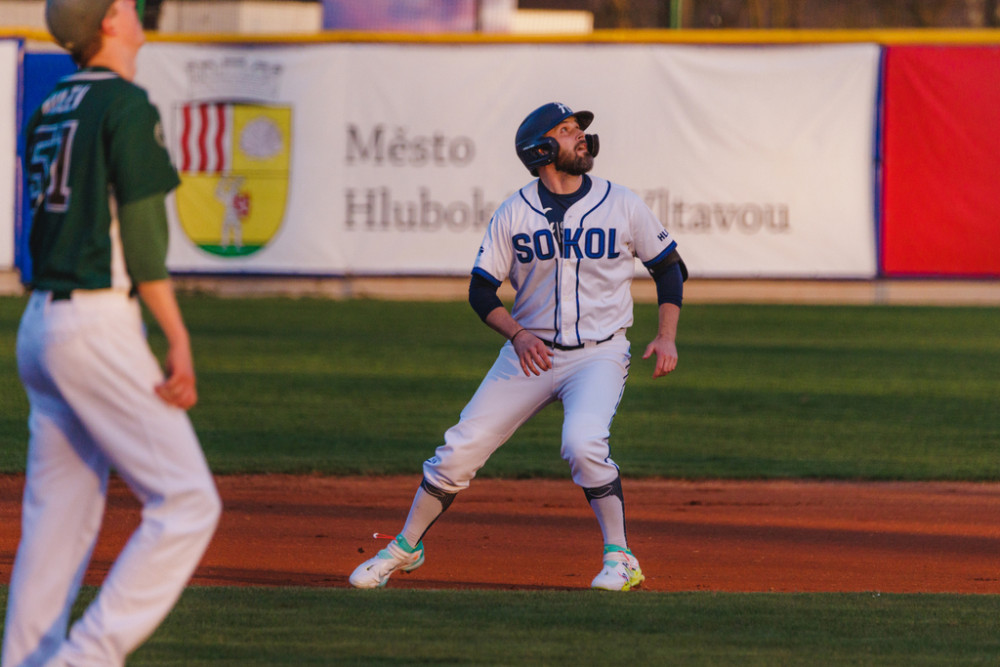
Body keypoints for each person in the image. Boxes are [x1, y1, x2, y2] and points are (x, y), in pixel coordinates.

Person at [349, 102, 687, 592]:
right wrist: (518, 333)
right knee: (458, 450)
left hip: (599, 353)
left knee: (583, 443)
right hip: (529, 353)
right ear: (542, 149)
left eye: (578, 131)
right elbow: (481, 290)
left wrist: (667, 334)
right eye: (568, 131)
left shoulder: (622, 202)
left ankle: (621, 557)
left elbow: (668, 267)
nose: (581, 138)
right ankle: (406, 547)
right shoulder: (514, 212)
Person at [2, 1, 221, 665]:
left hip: (42, 322)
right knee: (187, 501)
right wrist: (176, 334)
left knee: (56, 521)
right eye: (124, 3)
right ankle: (86, 658)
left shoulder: (49, 107)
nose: (135, 7)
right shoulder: (126, 105)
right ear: (106, 24)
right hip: (94, 322)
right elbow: (145, 236)